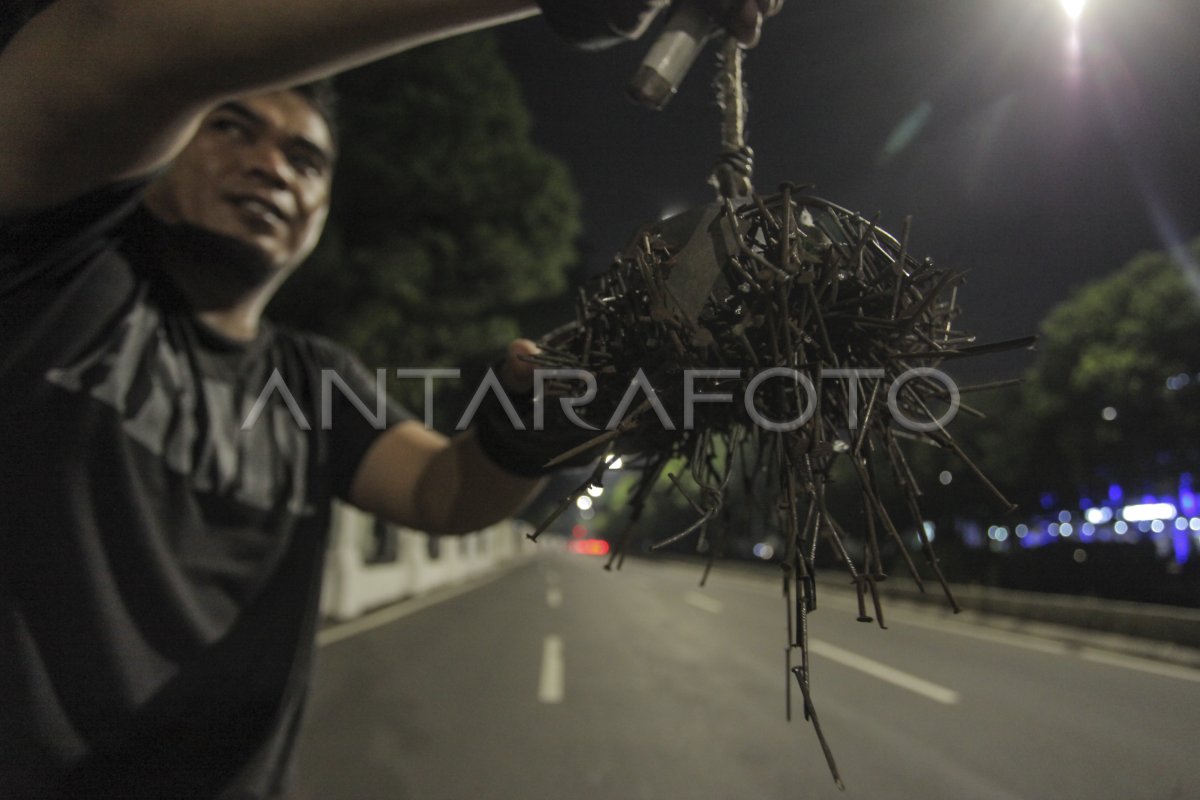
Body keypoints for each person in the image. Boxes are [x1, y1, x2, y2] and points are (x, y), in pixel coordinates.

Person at [0, 1, 781, 797]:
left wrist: (531, 433)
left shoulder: (314, 380)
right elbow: (113, 46)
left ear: (322, 208)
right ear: (161, 143)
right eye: (231, 127)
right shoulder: (44, 278)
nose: (271, 165)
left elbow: (439, 488)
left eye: (305, 159)